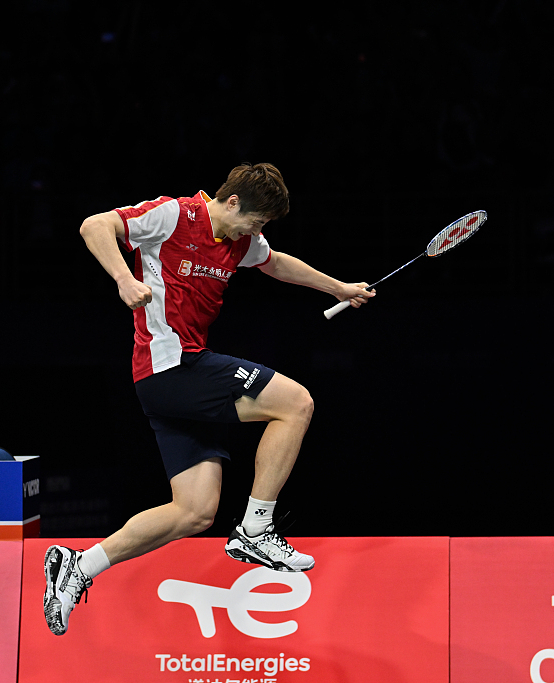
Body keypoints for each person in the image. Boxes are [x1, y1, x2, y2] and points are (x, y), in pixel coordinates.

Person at [43, 163, 374, 635]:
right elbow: (94, 225)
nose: (256, 232)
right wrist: (123, 278)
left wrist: (338, 287)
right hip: (171, 366)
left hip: (176, 381)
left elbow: (275, 262)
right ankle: (257, 527)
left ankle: (79, 566)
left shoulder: (239, 241)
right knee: (295, 403)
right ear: (233, 202)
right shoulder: (174, 215)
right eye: (255, 221)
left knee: (195, 511)